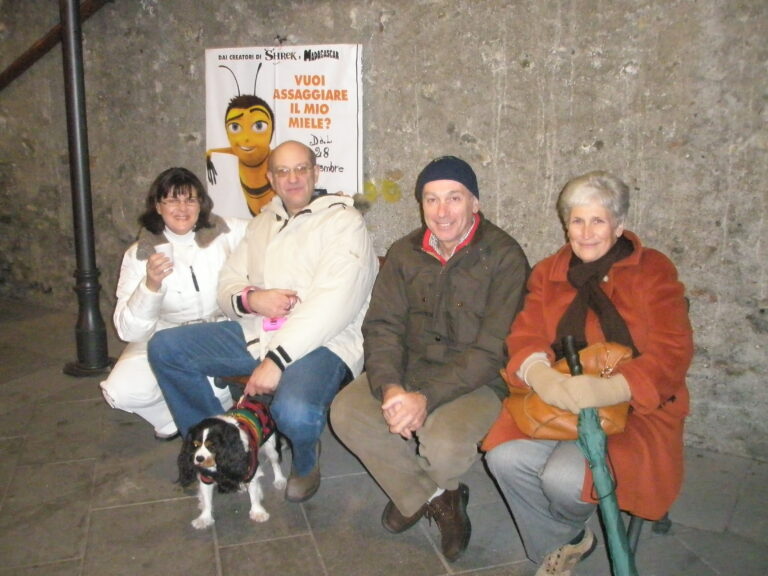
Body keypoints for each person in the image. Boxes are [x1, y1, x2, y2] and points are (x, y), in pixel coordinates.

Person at [482, 171, 693, 576]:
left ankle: (559, 535)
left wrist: (612, 389)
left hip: (635, 409)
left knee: (563, 479)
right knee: (504, 458)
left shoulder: (653, 271)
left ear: (619, 224)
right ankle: (568, 539)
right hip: (558, 401)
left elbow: (674, 350)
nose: (586, 232)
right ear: (566, 225)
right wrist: (540, 375)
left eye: (598, 220)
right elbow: (525, 333)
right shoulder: (549, 272)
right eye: (577, 220)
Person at [148, 140, 378, 502]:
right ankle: (224, 443)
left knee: (294, 411)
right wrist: (252, 299)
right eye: (283, 171)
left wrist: (277, 360)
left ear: (316, 173)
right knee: (166, 348)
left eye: (301, 169)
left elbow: (335, 303)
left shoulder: (344, 222)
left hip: (325, 342)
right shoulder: (262, 223)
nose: (292, 178)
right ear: (270, 178)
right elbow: (229, 281)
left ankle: (305, 460)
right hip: (259, 332)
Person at [330, 156, 530, 562]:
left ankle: (419, 489)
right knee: (346, 413)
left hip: (476, 379)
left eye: (454, 198)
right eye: (431, 199)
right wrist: (391, 387)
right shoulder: (404, 253)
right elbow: (382, 327)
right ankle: (436, 496)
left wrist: (426, 398)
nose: (442, 212)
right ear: (420, 204)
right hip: (408, 369)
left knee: (444, 443)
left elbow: (493, 349)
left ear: (475, 202)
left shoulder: (504, 257)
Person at [100, 167, 247, 440]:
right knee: (121, 391)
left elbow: (268, 231)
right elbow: (128, 331)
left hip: (215, 330)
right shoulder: (140, 254)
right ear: (158, 206)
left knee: (214, 390)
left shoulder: (224, 232)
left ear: (201, 204)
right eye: (172, 200)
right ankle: (171, 418)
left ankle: (202, 411)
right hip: (163, 336)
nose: (182, 208)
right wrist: (150, 286)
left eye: (190, 199)